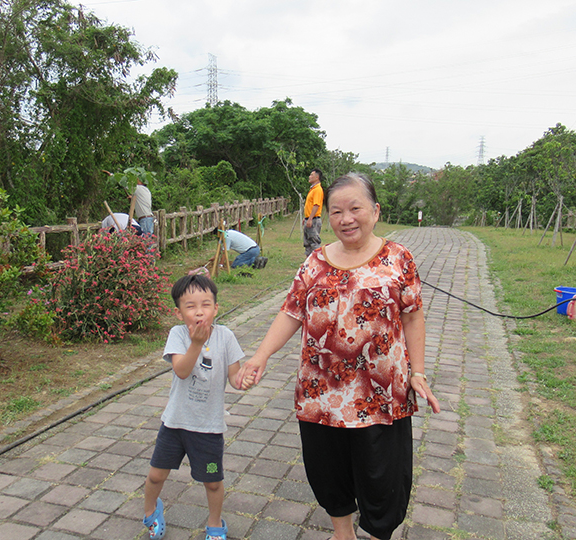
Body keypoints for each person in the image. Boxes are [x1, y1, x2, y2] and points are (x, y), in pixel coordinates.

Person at [237, 172, 441, 540]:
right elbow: (291, 312)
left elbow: (412, 316)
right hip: (321, 393)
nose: (346, 219)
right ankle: (342, 533)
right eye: (336, 211)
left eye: (355, 208)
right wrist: (260, 356)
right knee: (327, 469)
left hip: (380, 394)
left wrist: (419, 372)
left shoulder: (398, 259)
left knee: (383, 476)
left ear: (375, 211)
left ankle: (377, 534)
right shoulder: (315, 261)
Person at [143, 274, 255, 540]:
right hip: (175, 424)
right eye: (190, 306)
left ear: (216, 308)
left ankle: (215, 524)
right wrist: (195, 343)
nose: (199, 312)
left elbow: (234, 377)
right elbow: (181, 371)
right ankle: (150, 511)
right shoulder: (178, 335)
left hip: (209, 427)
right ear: (179, 313)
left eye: (205, 304)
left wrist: (244, 380)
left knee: (213, 482)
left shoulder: (225, 336)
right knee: (156, 476)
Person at [303, 168, 324, 257]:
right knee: (307, 242)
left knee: (314, 242)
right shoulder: (312, 189)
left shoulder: (318, 189)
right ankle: (308, 263)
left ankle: (317, 262)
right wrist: (306, 218)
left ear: (317, 177)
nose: (309, 176)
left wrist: (310, 218)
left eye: (311, 175)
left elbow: (316, 205)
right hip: (309, 219)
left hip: (314, 220)